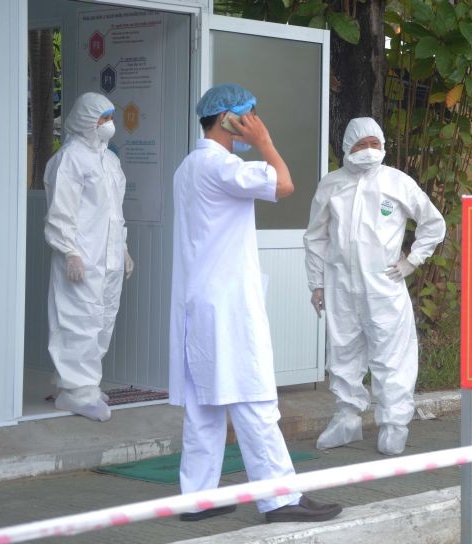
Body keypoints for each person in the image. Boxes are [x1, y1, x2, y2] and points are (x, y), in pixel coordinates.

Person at [169, 83, 341, 523]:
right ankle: (280, 499)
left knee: (205, 404)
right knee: (255, 399)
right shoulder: (222, 166)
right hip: (226, 305)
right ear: (227, 119)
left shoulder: (190, 166)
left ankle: (198, 498)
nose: (255, 121)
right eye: (247, 115)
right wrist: (264, 143)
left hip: (201, 303)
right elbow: (284, 184)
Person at [304, 117, 446, 456]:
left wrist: (413, 260)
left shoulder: (397, 182)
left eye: (374, 143)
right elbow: (316, 237)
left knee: (391, 354)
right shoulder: (331, 185)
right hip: (340, 285)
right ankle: (347, 418)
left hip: (383, 285)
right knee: (342, 351)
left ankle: (394, 424)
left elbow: (433, 222)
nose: (368, 150)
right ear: (346, 147)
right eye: (361, 144)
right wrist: (317, 283)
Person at [44, 92, 134, 422]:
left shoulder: (109, 161)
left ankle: (85, 385)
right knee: (77, 319)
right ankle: (76, 391)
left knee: (102, 318)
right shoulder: (70, 158)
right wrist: (69, 251)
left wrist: (122, 247)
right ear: (85, 119)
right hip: (81, 256)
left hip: (108, 256)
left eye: (110, 116)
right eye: (102, 118)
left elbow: (114, 212)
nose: (108, 124)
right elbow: (61, 211)